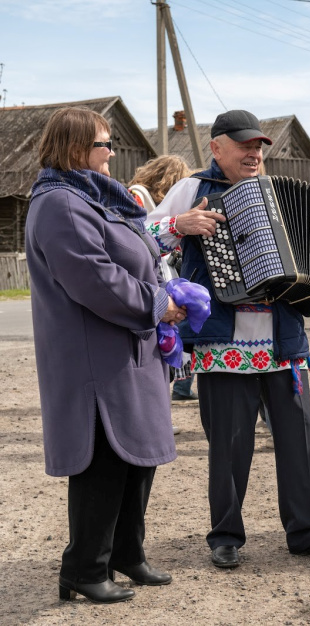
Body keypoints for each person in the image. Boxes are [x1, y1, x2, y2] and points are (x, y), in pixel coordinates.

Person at [147, 109, 310, 568]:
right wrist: (177, 227)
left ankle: (306, 531)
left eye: (259, 146)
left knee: (297, 438)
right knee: (229, 443)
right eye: (244, 145)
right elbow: (140, 238)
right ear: (216, 147)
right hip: (224, 340)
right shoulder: (192, 190)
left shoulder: (279, 195)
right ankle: (225, 535)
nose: (254, 153)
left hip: (283, 340)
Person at [26, 107, 179, 603]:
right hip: (97, 355)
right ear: (74, 150)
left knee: (137, 457)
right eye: (103, 144)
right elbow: (96, 280)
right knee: (106, 461)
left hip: (127, 348)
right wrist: (158, 303)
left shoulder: (94, 198)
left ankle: (125, 554)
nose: (111, 152)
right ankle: (84, 568)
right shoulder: (60, 205)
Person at [129, 155, 198, 413]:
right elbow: (137, 235)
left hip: (161, 275)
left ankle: (160, 415)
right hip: (148, 279)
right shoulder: (136, 195)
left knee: (165, 349)